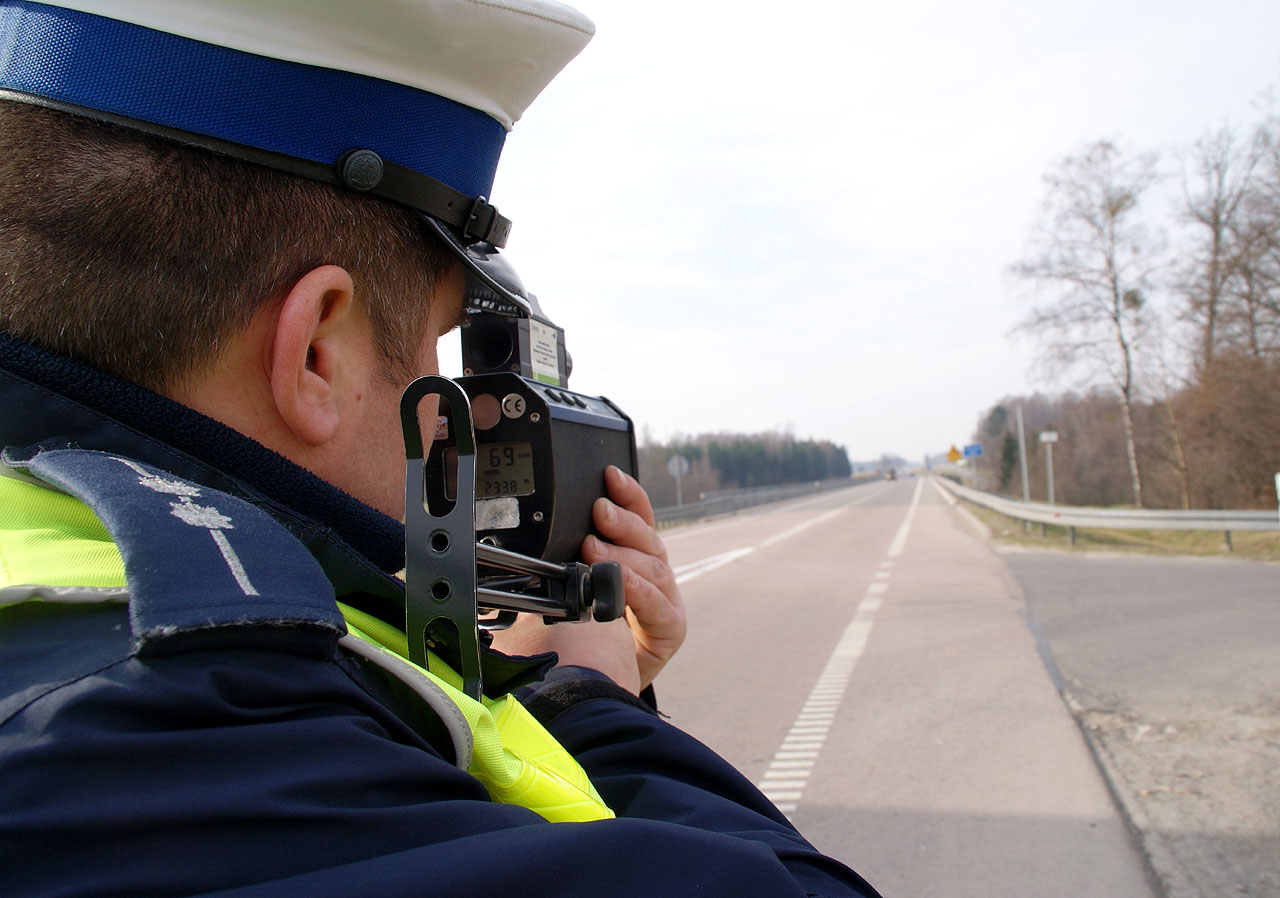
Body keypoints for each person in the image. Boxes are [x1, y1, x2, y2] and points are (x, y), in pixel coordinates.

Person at [0, 1, 880, 895]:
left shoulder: (82, 601)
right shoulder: (206, 715)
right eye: (431, 351)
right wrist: (590, 701)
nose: (448, 412)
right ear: (316, 350)